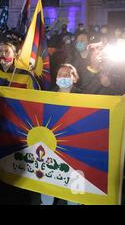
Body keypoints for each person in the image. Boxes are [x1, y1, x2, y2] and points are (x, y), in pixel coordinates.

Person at [40, 64, 81, 205]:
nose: (63, 77)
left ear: (75, 78)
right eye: (60, 74)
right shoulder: (48, 96)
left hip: (76, 149)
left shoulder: (86, 97)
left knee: (75, 190)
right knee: (49, 184)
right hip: (53, 146)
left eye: (67, 74)